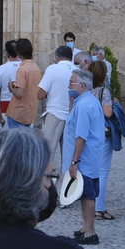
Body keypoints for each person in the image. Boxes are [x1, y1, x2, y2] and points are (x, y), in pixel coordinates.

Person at [65, 67, 108, 245]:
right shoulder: (89, 101)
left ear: (81, 85)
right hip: (91, 156)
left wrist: (75, 161)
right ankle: (85, 227)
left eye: (71, 83)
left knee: (88, 194)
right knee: (85, 194)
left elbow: (81, 136)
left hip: (85, 159)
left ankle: (90, 232)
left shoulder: (83, 105)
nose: (69, 86)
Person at [86, 59, 119, 220]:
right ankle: (99, 207)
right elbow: (107, 113)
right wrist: (113, 105)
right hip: (102, 134)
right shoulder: (103, 92)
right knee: (103, 171)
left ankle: (90, 204)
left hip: (89, 133)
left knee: (91, 170)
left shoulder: (86, 91)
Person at [38, 45, 77, 177]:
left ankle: (43, 184)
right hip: (71, 116)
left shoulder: (53, 69)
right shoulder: (77, 70)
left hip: (54, 114)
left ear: (57, 57)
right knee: (68, 155)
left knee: (46, 153)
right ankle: (65, 189)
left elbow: (40, 94)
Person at [7, 39, 42, 129]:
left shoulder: (22, 69)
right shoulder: (36, 67)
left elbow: (19, 94)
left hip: (18, 113)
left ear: (19, 53)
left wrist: (11, 88)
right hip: (30, 112)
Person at [0, 41, 22, 118]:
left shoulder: (1, 69)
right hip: (22, 105)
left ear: (7, 53)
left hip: (5, 104)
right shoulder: (25, 67)